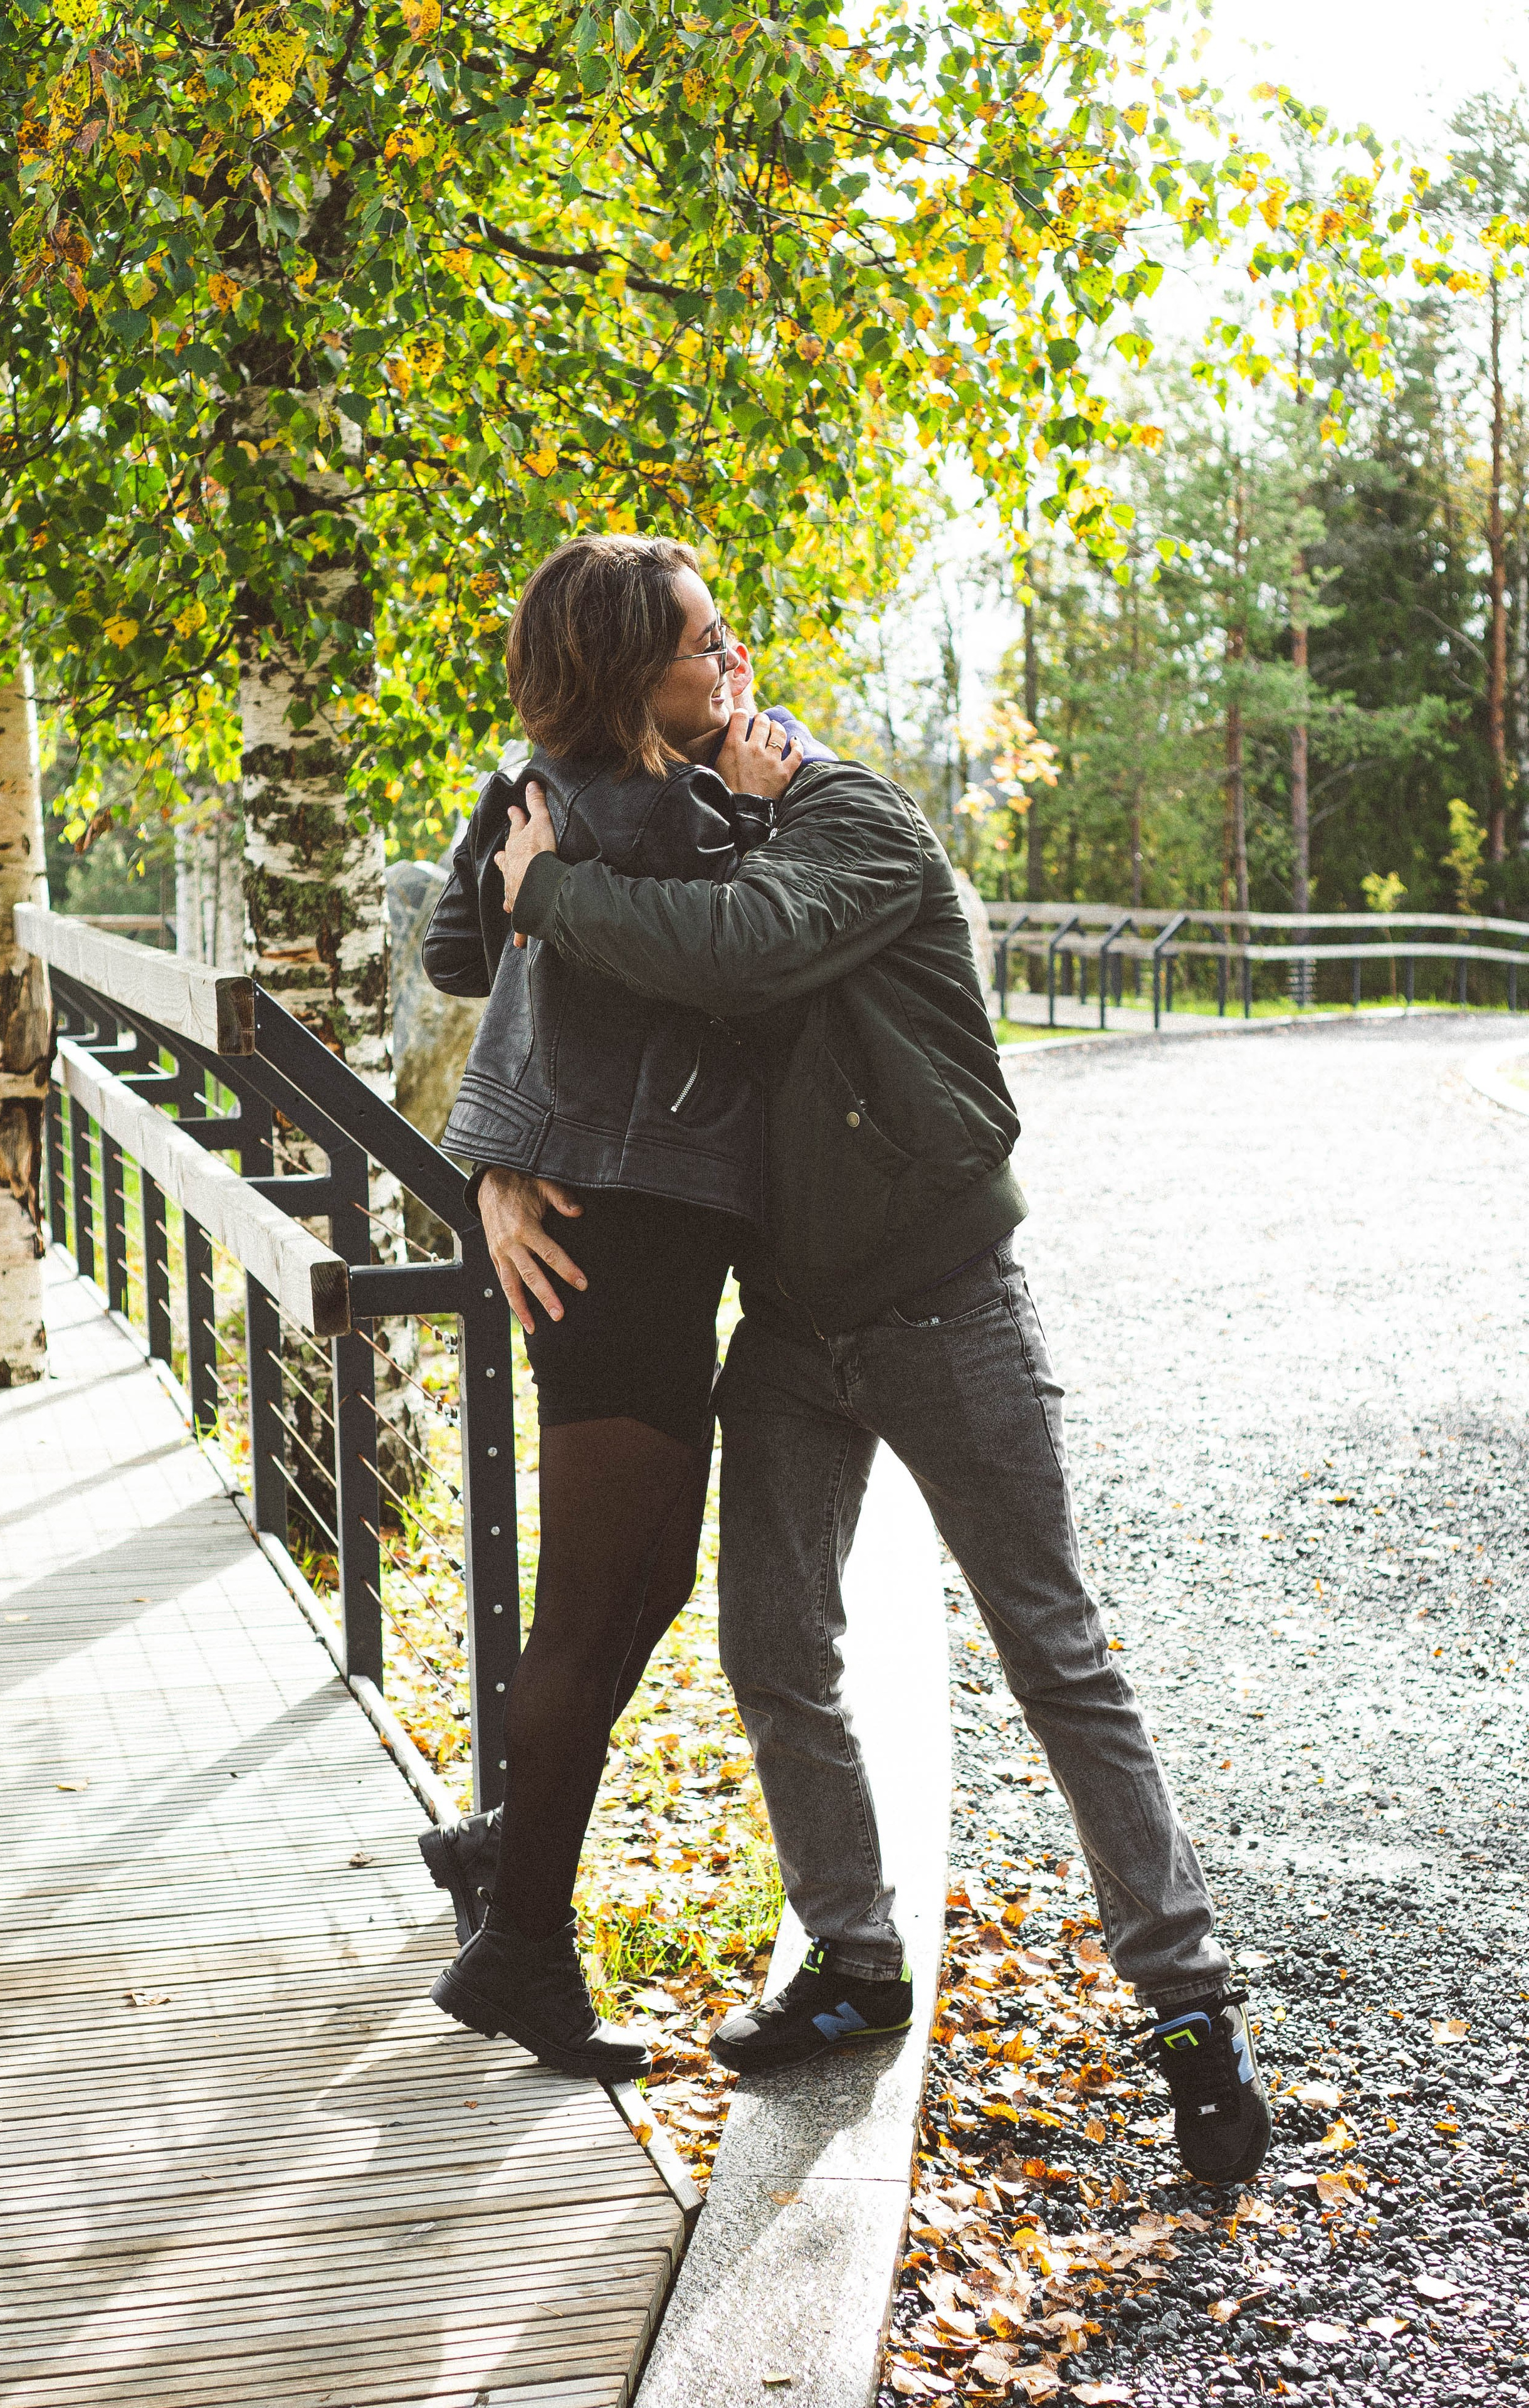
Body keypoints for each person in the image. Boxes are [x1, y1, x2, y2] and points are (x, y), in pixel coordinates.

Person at [489, 710, 1273, 2187]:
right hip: (786, 1325)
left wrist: (552, 892)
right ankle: (853, 1957)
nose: (727, 675)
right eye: (699, 652)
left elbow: (739, 949)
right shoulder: (696, 845)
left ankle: (1190, 2008)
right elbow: (510, 983)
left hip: (944, 1306)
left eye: (733, 650)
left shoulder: (854, 824)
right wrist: (492, 1164)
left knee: (1052, 1650)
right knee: (773, 1646)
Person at [418, 533, 809, 2081]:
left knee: (639, 1580)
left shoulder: (523, 793)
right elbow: (741, 972)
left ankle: (505, 1850)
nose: (730, 663)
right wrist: (759, 821)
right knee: (595, 1601)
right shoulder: (682, 817)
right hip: (629, 1235)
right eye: (705, 642)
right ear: (631, 665)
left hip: (607, 1222)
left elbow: (461, 953)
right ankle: (522, 1947)